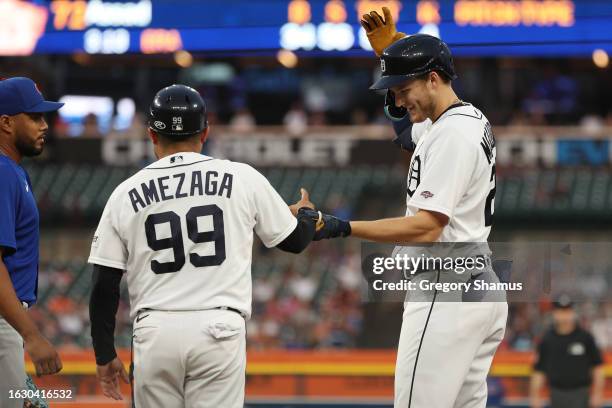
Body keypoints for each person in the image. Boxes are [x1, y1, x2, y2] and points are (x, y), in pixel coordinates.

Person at [297, 24, 508, 408]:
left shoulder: (451, 135)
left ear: (432, 79)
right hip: (476, 285)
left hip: (445, 286)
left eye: (403, 90)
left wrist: (338, 226)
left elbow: (427, 227)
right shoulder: (465, 119)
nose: (397, 99)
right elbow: (412, 135)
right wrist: (389, 53)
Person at [88, 84, 317, 407]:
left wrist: (104, 353)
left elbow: (104, 283)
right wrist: (306, 214)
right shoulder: (241, 177)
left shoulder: (125, 193)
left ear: (152, 135)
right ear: (205, 132)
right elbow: (294, 241)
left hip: (156, 329)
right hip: (219, 327)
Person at [0, 77, 64, 407]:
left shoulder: (13, 171)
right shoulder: (3, 172)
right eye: (35, 117)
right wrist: (32, 336)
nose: (44, 125)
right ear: (6, 123)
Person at [530, 296, 604, 408]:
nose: (564, 316)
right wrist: (535, 395)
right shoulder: (547, 340)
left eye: (567, 311)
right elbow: (539, 370)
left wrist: (598, 393)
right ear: (554, 313)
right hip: (556, 394)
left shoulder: (585, 338)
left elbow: (597, 367)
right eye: (560, 311)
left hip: (581, 394)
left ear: (574, 313)